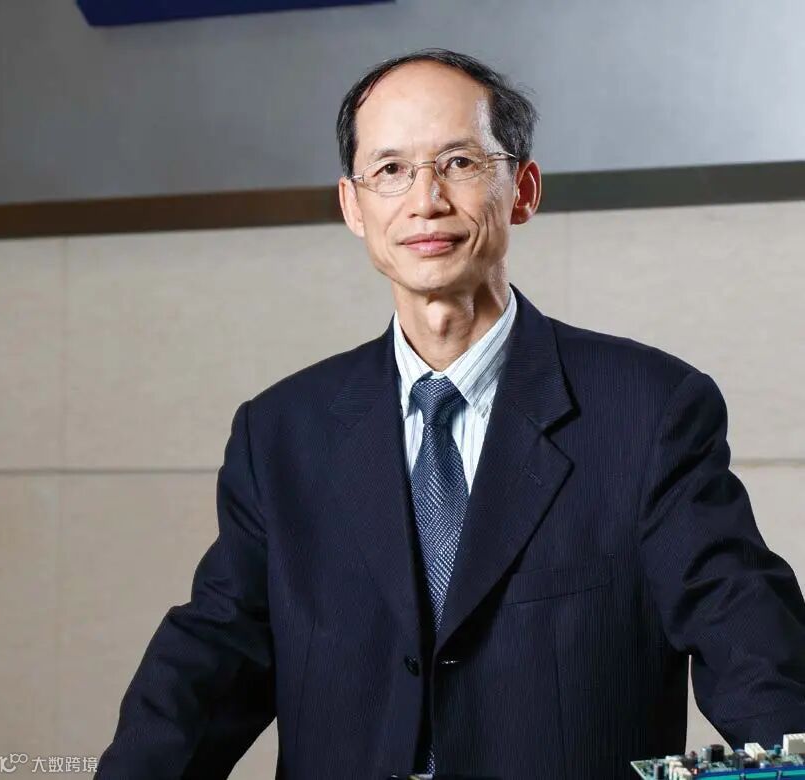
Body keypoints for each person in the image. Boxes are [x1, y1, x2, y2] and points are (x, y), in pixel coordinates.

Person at [95, 48, 805, 780]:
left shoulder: (649, 411)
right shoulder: (281, 433)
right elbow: (211, 662)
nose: (424, 201)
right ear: (353, 206)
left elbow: (754, 653)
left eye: (459, 163)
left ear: (522, 190)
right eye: (390, 169)